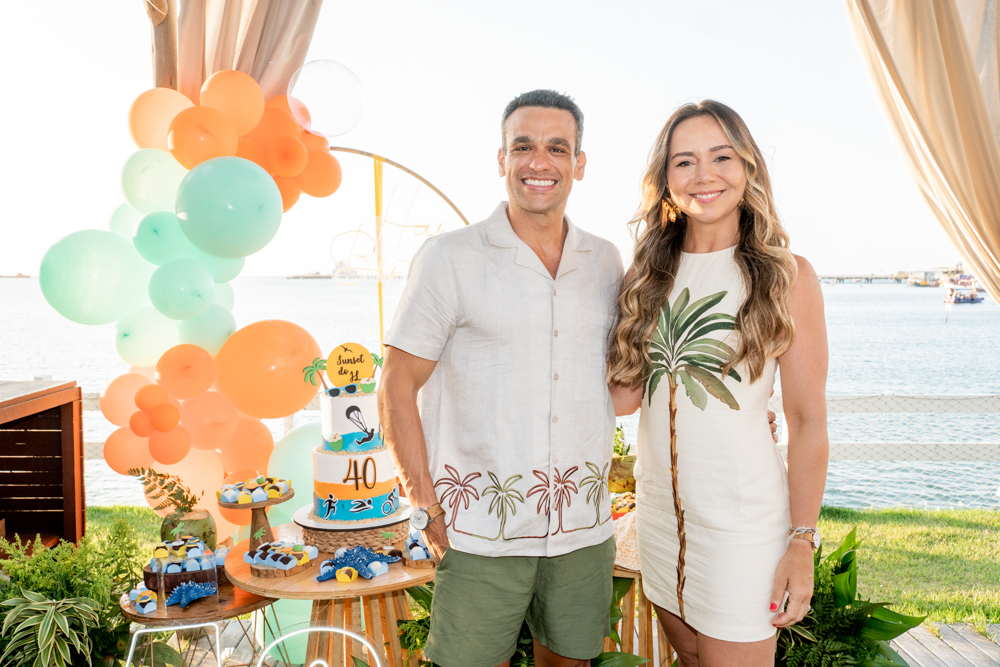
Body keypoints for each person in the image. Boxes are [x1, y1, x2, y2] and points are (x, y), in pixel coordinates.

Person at [379, 89, 622, 667]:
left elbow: (623, 383)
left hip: (581, 528)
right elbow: (395, 385)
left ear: (579, 164)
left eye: (557, 148)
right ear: (501, 159)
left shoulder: (607, 260)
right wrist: (424, 504)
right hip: (478, 529)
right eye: (523, 146)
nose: (540, 162)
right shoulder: (449, 257)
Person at [607, 100, 829, 667]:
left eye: (721, 157)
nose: (704, 175)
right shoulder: (645, 276)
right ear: (664, 179)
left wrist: (802, 541)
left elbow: (807, 421)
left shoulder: (787, 276)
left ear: (748, 166)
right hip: (660, 525)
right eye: (684, 161)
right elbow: (624, 399)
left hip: (743, 530)